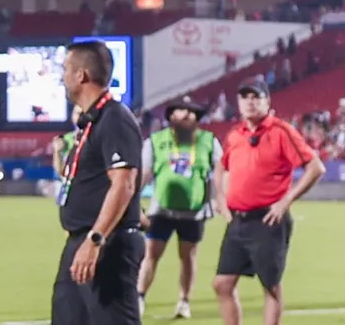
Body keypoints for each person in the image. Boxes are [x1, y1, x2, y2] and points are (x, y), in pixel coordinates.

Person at [213, 82, 326, 325]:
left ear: (267, 102)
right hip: (238, 220)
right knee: (222, 283)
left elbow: (315, 167)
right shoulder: (235, 135)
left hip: (268, 219)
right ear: (239, 103)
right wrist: (221, 199)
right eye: (245, 97)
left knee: (270, 286)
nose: (250, 102)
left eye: (256, 97)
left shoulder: (281, 131)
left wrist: (285, 202)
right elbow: (221, 167)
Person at [51, 41, 143, 325]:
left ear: (81, 75)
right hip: (82, 241)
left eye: (66, 69)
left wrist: (95, 239)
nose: (63, 76)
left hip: (106, 245)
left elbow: (124, 184)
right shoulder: (92, 121)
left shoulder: (115, 118)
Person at [136, 97, 220, 319]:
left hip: (195, 212)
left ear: (197, 118)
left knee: (188, 257)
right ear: (170, 116)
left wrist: (220, 200)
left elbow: (219, 172)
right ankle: (140, 297)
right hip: (161, 210)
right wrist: (133, 200)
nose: (185, 115)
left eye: (190, 112)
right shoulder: (155, 141)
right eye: (179, 111)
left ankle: (184, 301)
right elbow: (145, 174)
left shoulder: (209, 141)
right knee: (151, 254)